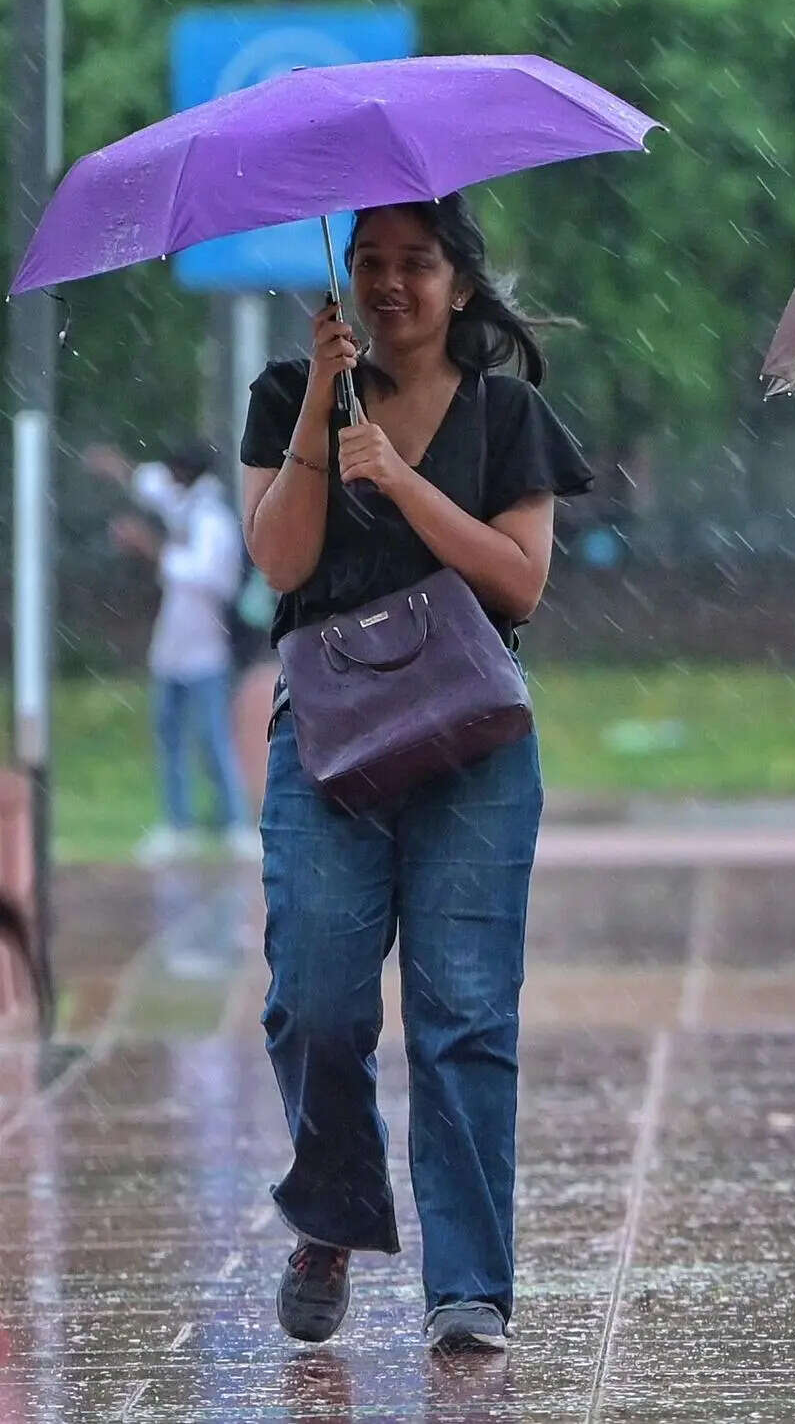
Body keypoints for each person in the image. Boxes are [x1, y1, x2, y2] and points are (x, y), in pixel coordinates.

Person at [239, 192, 592, 1358]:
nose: (391, 282)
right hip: (328, 736)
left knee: (465, 1012)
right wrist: (321, 408)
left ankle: (470, 1284)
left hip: (472, 742)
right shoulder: (289, 394)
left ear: (460, 283)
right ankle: (333, 1210)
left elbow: (518, 580)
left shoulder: (508, 412)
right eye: (371, 260)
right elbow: (280, 558)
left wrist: (396, 475)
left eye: (418, 262)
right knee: (315, 997)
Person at [87, 438, 254, 863]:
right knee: (170, 738)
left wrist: (152, 547)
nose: (169, 480)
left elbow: (211, 577)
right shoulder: (183, 505)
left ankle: (235, 824)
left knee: (213, 739)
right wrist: (119, 467)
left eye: (175, 473)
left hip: (207, 649)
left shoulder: (213, 520)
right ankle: (179, 825)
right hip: (171, 648)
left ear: (189, 475)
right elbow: (151, 485)